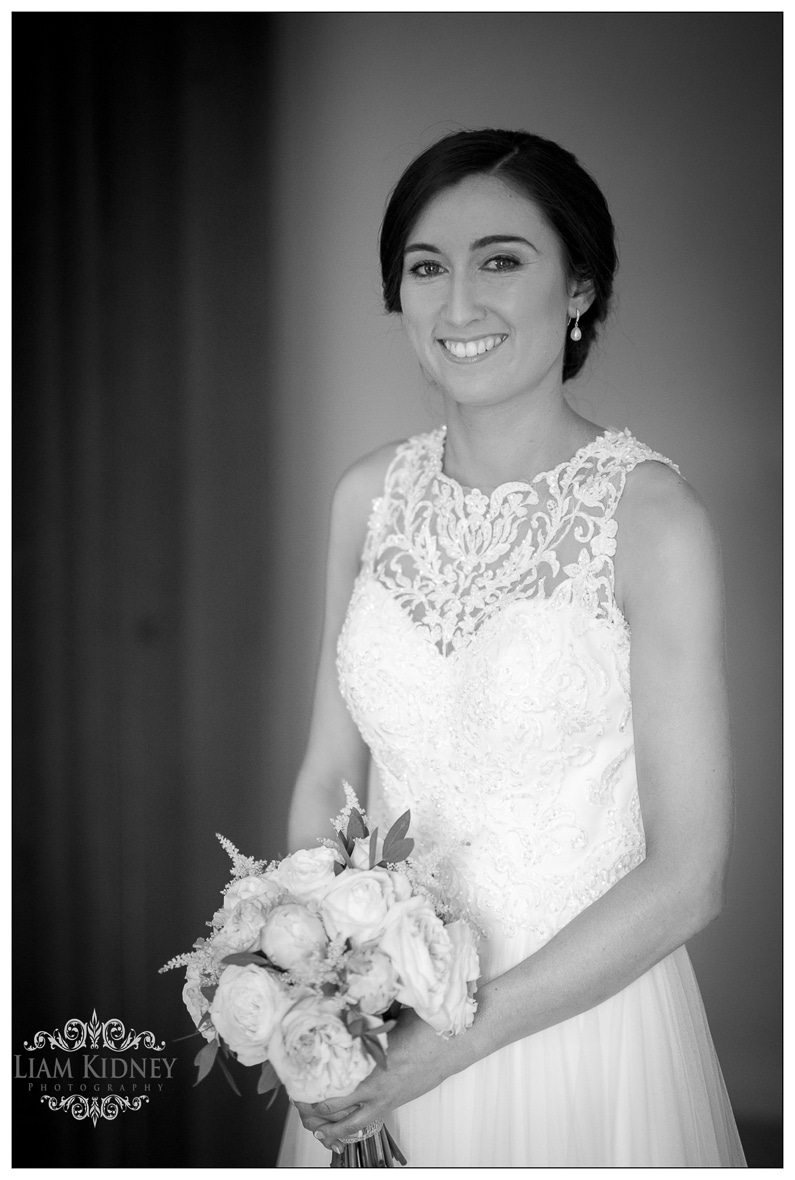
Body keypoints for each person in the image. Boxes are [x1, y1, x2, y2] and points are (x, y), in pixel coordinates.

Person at [277, 129, 746, 1167]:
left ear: (578, 285)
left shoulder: (653, 518)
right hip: (375, 1035)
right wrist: (309, 977)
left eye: (501, 260)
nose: (457, 306)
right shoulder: (367, 497)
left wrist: (445, 1043)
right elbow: (325, 775)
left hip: (579, 1036)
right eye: (425, 268)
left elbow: (689, 875)